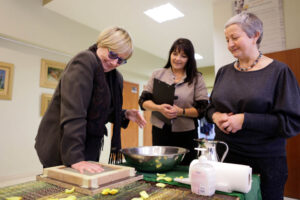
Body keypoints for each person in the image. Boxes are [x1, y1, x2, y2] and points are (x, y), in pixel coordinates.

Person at [206, 12, 300, 200]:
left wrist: (245, 120)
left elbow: (291, 122)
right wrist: (215, 116)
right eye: (227, 39)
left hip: (265, 164)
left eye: (235, 37)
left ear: (255, 35)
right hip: (225, 159)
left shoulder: (279, 72)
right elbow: (210, 108)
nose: (230, 44)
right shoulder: (224, 72)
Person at [35, 26, 146, 174]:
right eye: (113, 55)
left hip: (88, 146)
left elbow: (101, 111)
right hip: (63, 144)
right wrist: (75, 158)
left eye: (121, 60)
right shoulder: (84, 61)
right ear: (102, 44)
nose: (114, 63)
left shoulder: (115, 78)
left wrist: (124, 114)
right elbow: (74, 112)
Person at [139, 38, 209, 165]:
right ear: (170, 54)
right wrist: (159, 108)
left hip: (186, 134)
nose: (177, 59)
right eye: (175, 54)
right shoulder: (157, 74)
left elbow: (202, 109)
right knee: (161, 164)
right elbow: (143, 101)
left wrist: (180, 111)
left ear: (189, 59)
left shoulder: (197, 78)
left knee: (185, 167)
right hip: (160, 131)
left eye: (183, 56)